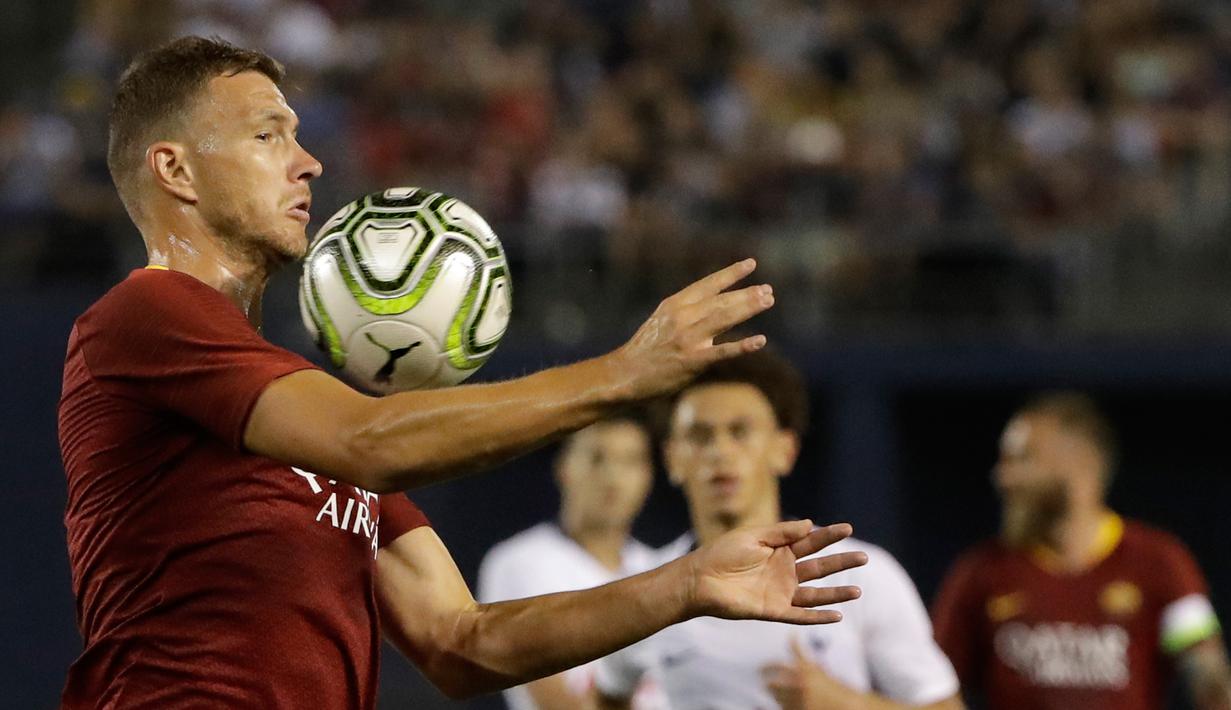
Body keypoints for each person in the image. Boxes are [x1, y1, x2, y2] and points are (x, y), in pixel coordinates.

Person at [58, 36, 869, 709]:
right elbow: (370, 442)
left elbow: (461, 643)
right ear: (176, 170)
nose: (307, 163)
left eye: (299, 136)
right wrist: (625, 373)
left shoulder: (304, 413)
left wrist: (685, 584)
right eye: (268, 135)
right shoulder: (144, 319)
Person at [591, 350, 964, 710]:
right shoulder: (644, 588)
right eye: (700, 436)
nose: (720, 451)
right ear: (672, 458)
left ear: (784, 450)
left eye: (740, 432)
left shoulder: (861, 573)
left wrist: (847, 705)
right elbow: (608, 695)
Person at [932, 391, 1231, 710]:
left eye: (1023, 459)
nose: (1003, 477)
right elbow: (930, 693)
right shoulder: (980, 572)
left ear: (1082, 464)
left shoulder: (1160, 561)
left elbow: (1210, 682)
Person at [478, 417, 668, 710]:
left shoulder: (662, 569)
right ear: (564, 467)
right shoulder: (519, 563)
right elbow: (555, 703)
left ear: (649, 475)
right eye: (596, 458)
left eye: (631, 461)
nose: (613, 477)